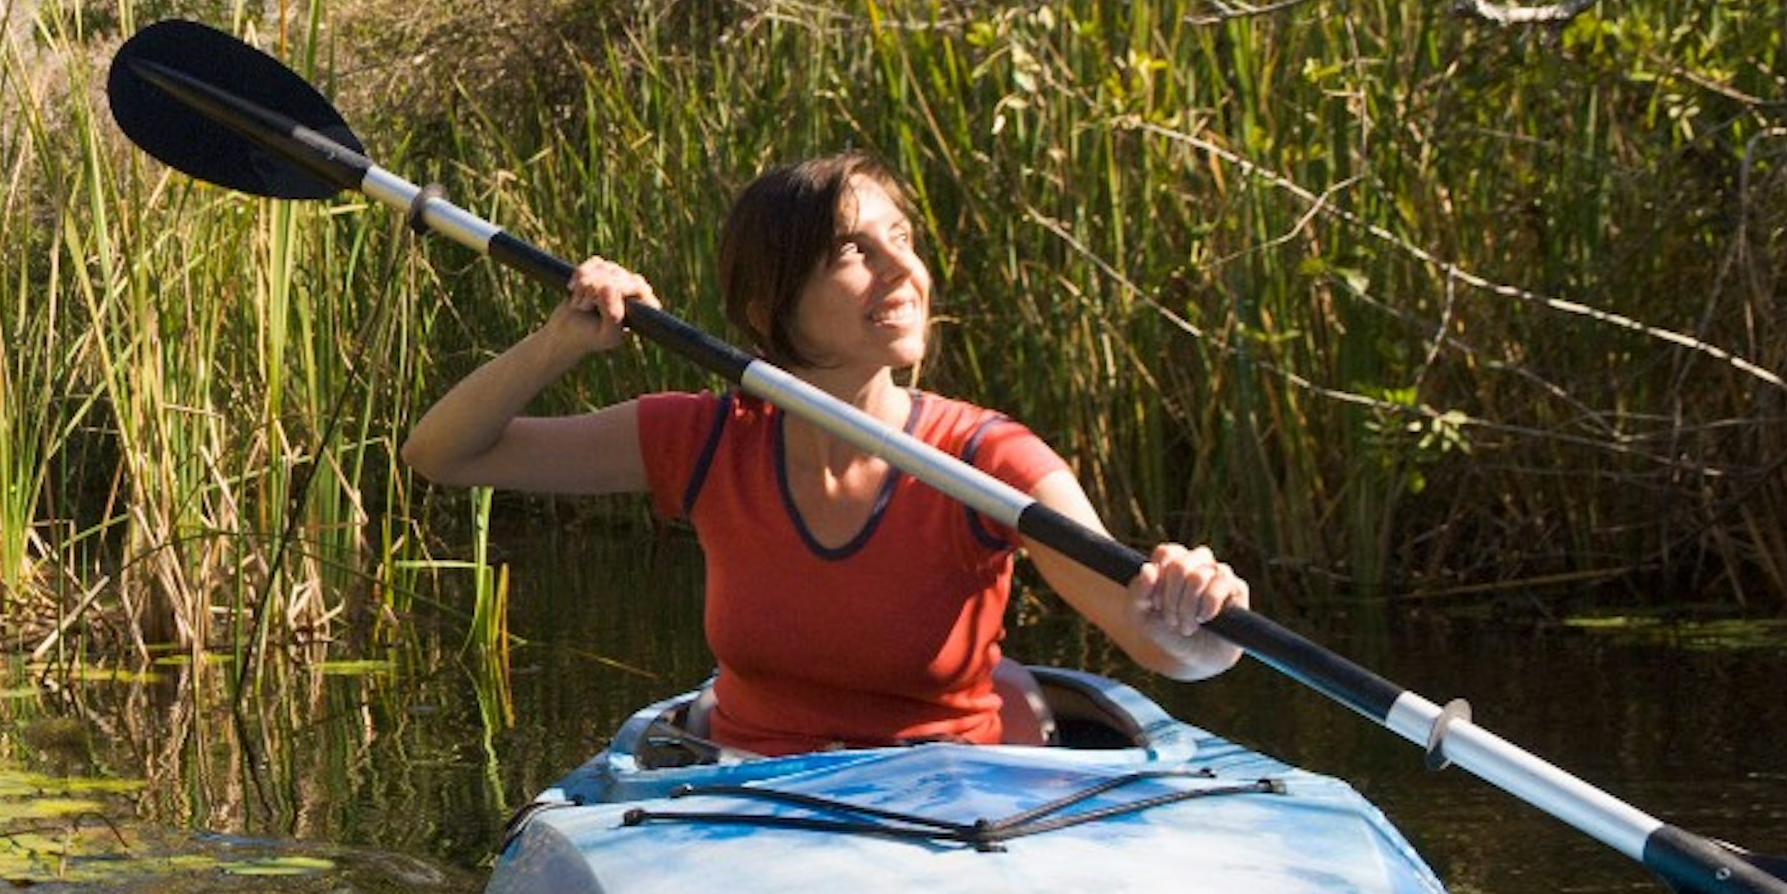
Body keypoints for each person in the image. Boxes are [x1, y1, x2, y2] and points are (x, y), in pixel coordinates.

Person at [399, 150, 1250, 755]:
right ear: (773, 303)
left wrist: (1198, 613)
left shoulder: (987, 458)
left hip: (954, 808)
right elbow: (444, 454)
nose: (903, 271)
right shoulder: (703, 439)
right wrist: (560, 344)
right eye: (855, 251)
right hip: (753, 798)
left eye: (903, 239)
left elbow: (1163, 645)